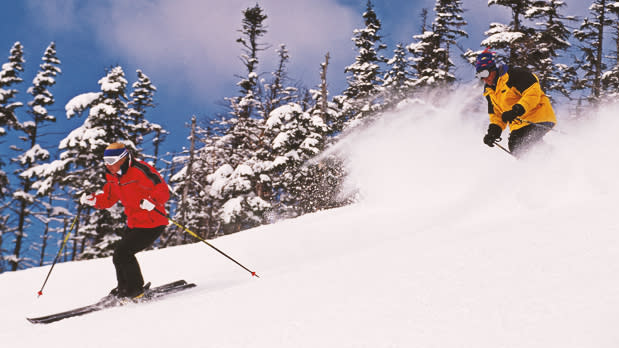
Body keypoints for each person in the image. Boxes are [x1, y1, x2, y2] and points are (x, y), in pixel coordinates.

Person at [80, 142, 170, 299]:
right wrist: (93, 200)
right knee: (119, 255)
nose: (108, 166)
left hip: (153, 221)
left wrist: (152, 200)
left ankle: (136, 291)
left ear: (122, 159)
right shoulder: (114, 177)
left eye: (111, 162)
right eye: (105, 162)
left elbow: (162, 189)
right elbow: (108, 198)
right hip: (135, 222)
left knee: (123, 253)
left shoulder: (140, 170)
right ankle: (124, 289)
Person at [476, 48, 557, 157]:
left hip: (538, 116)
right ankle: (547, 161)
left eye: (485, 73)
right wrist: (494, 132)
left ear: (493, 69)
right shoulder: (489, 91)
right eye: (480, 76)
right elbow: (496, 114)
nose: (484, 79)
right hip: (519, 124)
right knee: (516, 147)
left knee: (524, 143)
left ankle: (549, 159)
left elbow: (532, 93)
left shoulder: (514, 75)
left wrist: (517, 110)